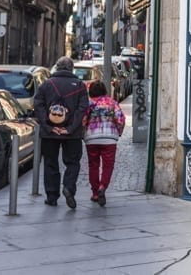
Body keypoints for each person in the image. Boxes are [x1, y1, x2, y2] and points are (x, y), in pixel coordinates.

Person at [33, 56, 88, 209]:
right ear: (71, 68)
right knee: (73, 162)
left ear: (57, 67)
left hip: (50, 133)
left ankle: (51, 196)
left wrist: (50, 127)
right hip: (72, 134)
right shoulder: (79, 85)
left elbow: (38, 107)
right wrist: (70, 128)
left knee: (50, 163)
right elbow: (82, 109)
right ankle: (69, 187)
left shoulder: (46, 85)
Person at [83, 80, 125, 206]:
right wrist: (119, 131)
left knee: (93, 165)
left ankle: (95, 193)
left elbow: (83, 119)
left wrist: (83, 133)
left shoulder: (89, 104)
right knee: (108, 165)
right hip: (109, 138)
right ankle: (103, 187)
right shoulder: (112, 102)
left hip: (91, 138)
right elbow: (120, 119)